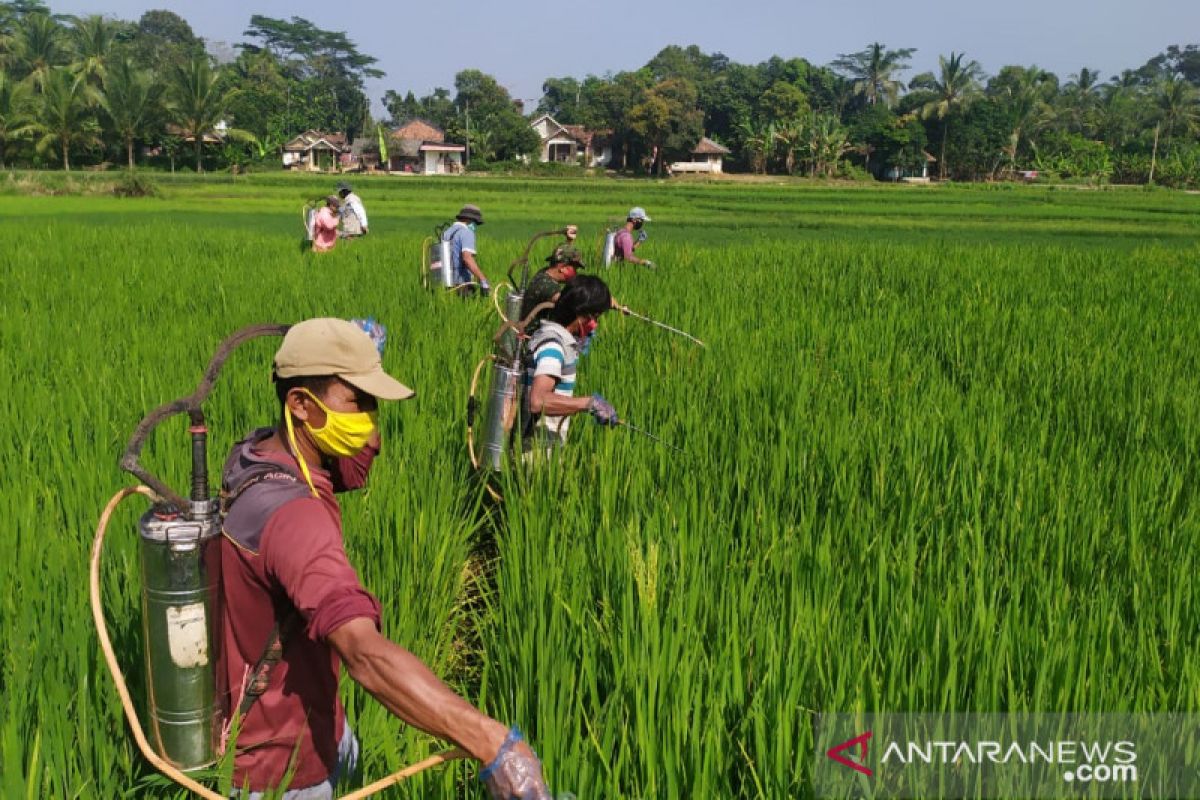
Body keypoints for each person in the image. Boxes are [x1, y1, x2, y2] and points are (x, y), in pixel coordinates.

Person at [217, 317, 550, 799]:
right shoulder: (294, 517)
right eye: (358, 401)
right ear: (300, 405)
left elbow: (350, 473)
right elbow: (364, 654)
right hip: (284, 771)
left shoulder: (255, 454)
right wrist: (493, 742)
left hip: (315, 721)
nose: (371, 425)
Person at [521, 276, 620, 454]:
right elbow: (537, 401)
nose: (595, 325)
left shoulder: (553, 338)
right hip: (536, 450)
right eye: (594, 317)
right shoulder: (553, 347)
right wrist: (588, 404)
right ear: (580, 314)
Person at [518, 244, 587, 326]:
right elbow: (570, 307)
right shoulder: (549, 288)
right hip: (534, 335)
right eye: (574, 269)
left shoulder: (544, 272)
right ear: (562, 267)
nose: (576, 273)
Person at [442, 204, 491, 294]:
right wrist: (483, 279)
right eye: (476, 222)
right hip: (461, 284)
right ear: (470, 219)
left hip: (445, 282)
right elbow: (467, 258)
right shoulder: (467, 232)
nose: (475, 226)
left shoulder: (447, 232)